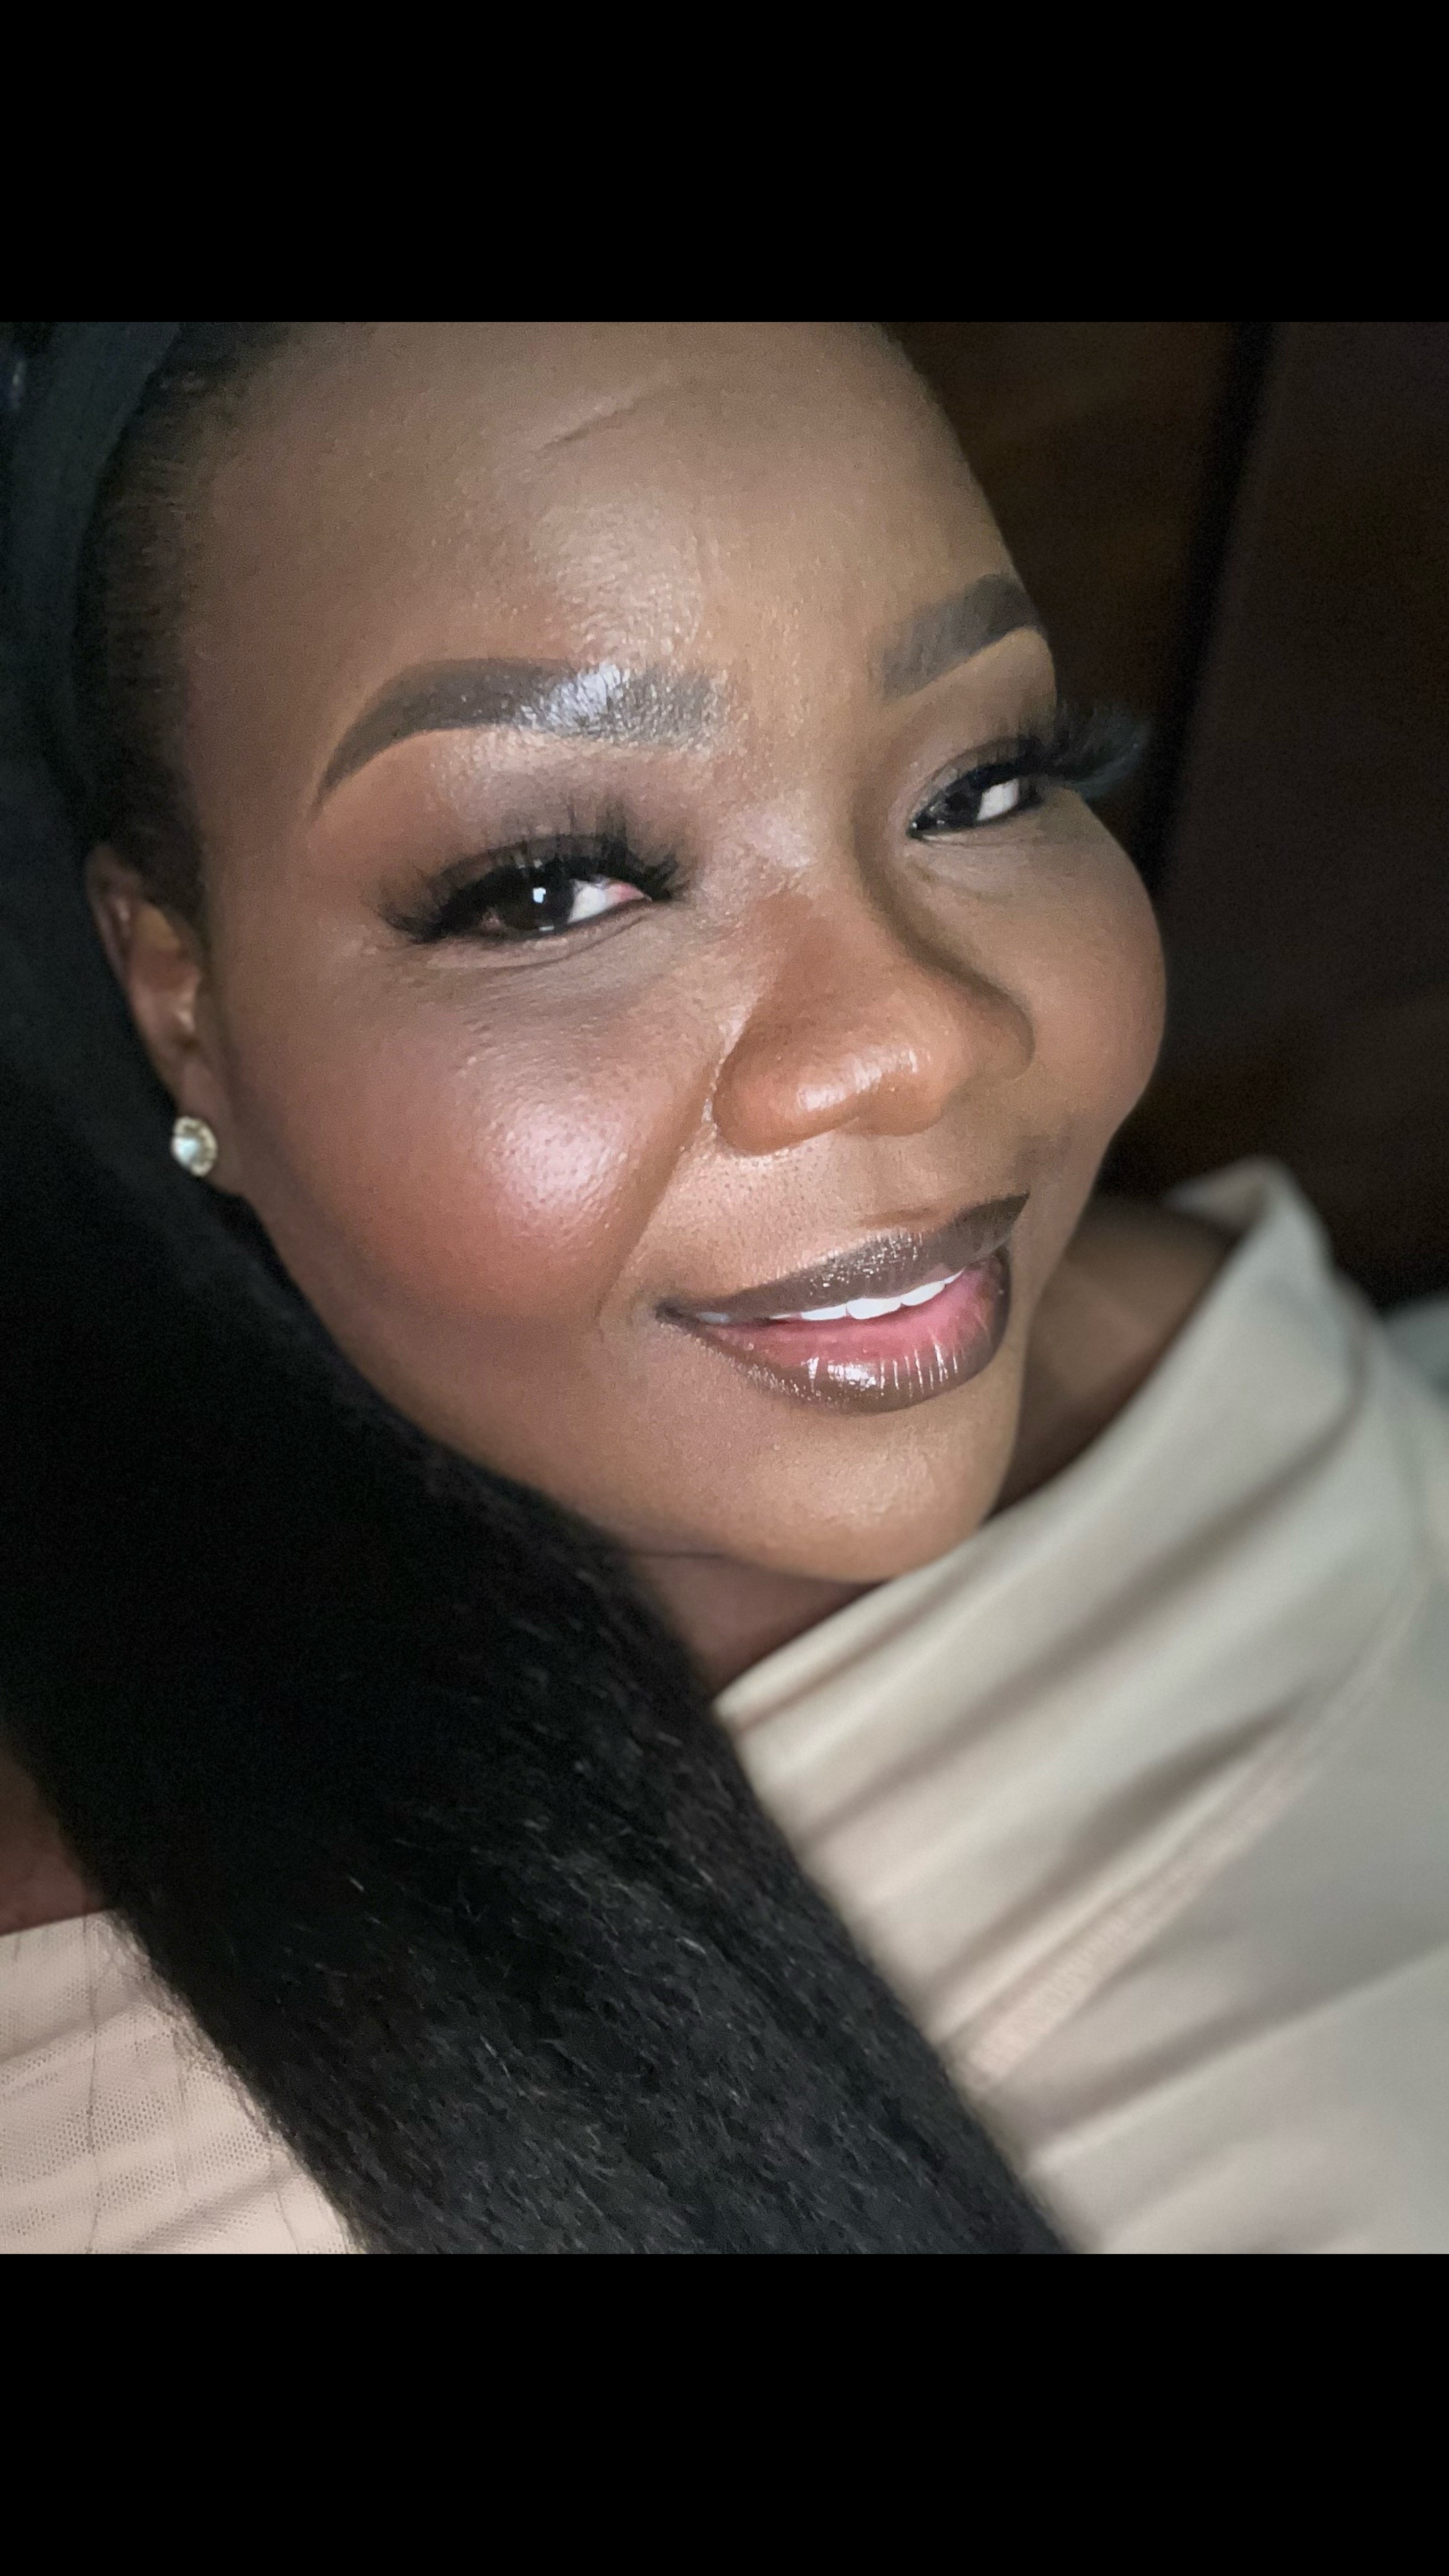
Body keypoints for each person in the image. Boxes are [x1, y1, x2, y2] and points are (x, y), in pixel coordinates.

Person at [1, 323, 1446, 2253]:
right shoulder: (72, 2118)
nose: (919, 1039)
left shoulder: (1192, 1353)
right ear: (182, 997)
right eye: (549, 888)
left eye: (985, 785)